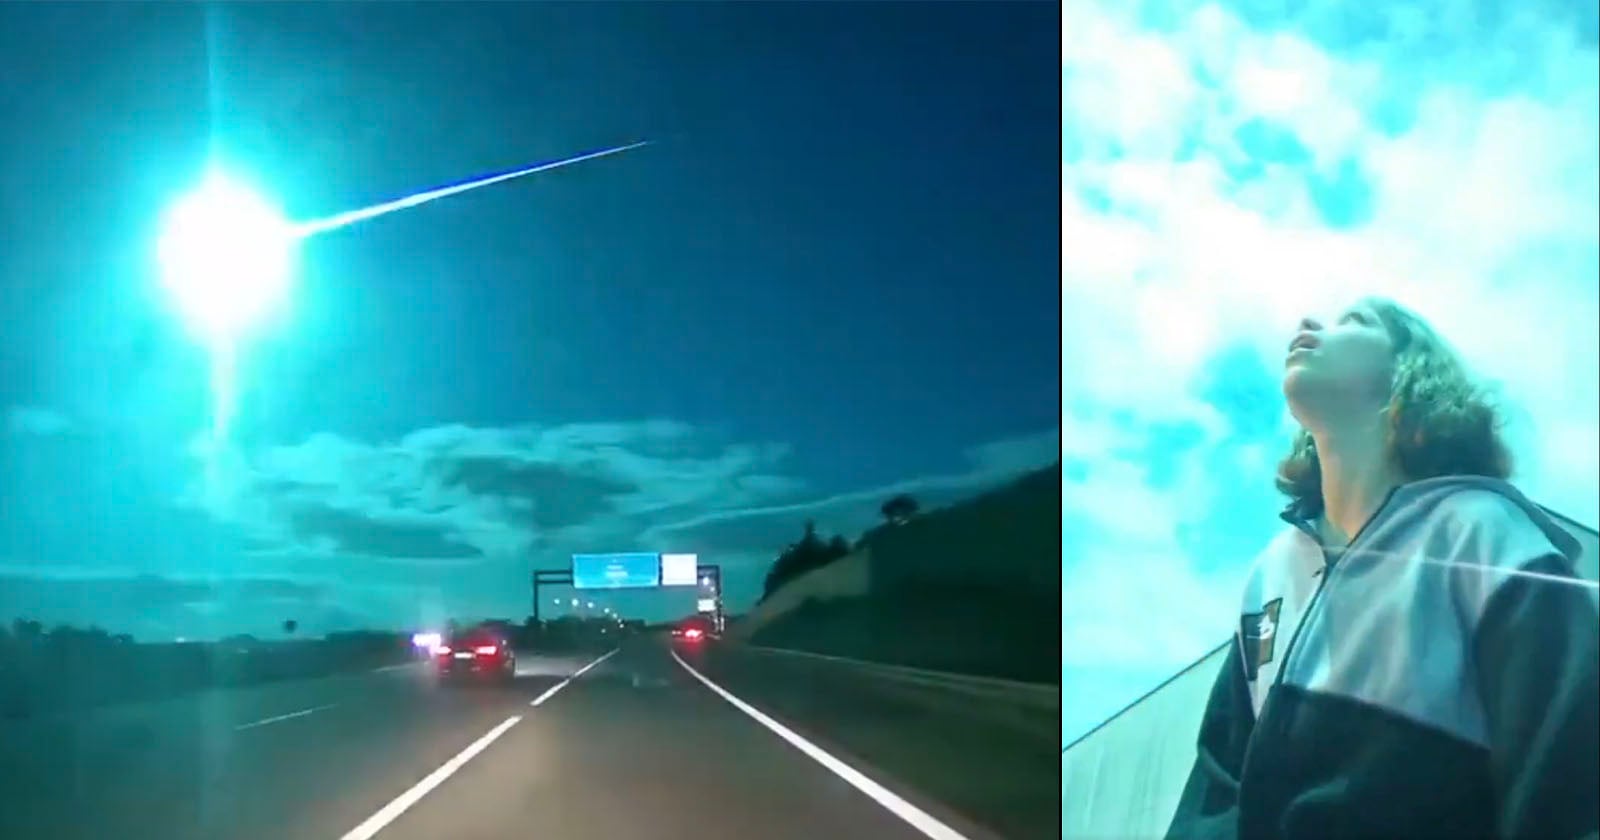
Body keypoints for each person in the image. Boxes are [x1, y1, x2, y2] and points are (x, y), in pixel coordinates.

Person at [1165, 297, 1599, 840]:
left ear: (1406, 376)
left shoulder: (1484, 533)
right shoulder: (1271, 573)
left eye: (1354, 322)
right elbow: (1217, 789)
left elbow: (1566, 780)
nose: (1307, 324)